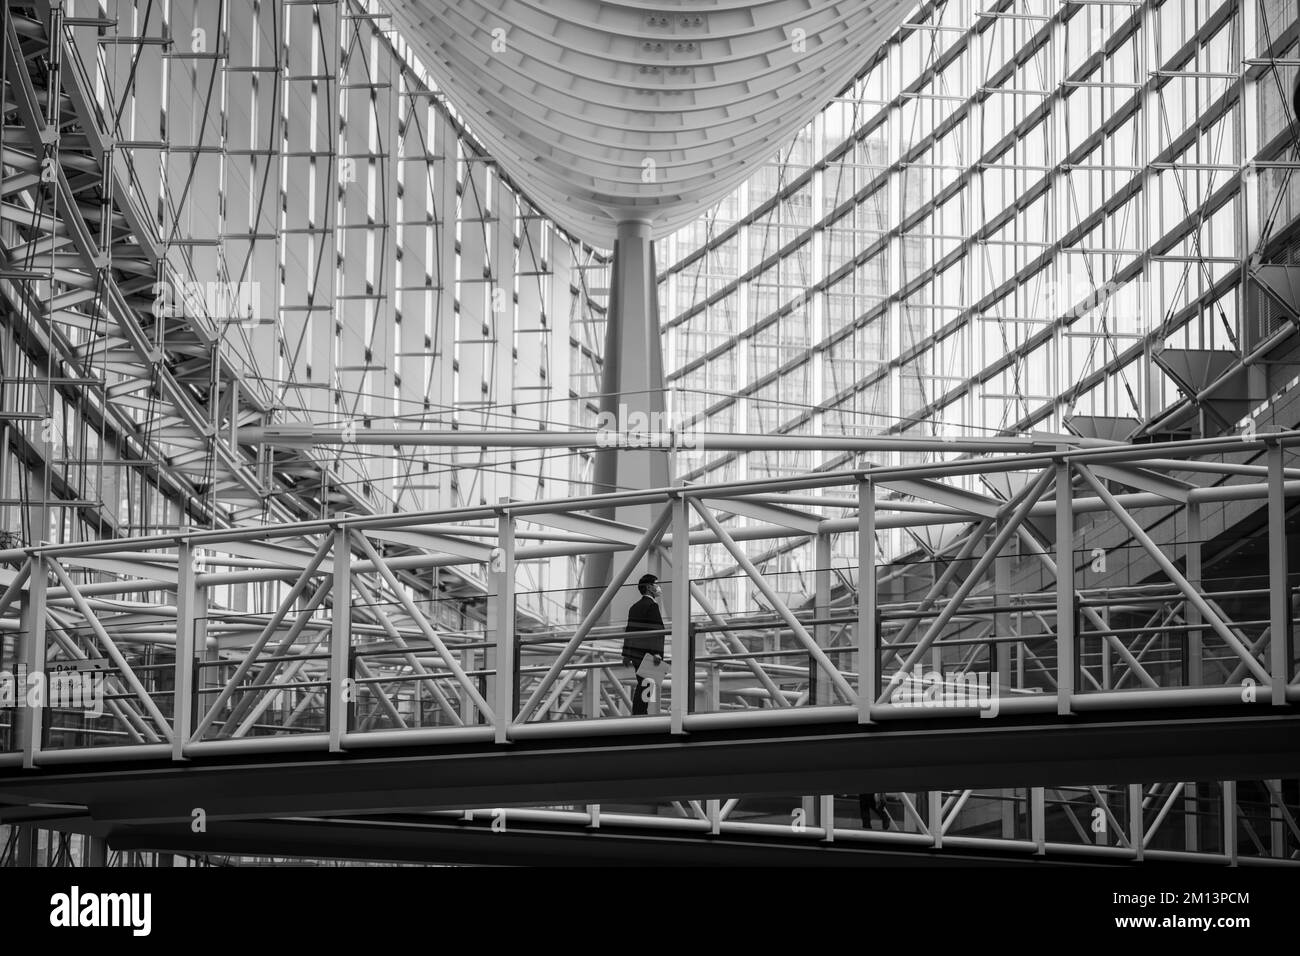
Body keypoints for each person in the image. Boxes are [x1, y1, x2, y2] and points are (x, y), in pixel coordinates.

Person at [622, 573, 664, 715]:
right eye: (656, 584)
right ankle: (640, 713)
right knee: (648, 683)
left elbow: (629, 630)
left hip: (636, 653)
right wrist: (657, 653)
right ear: (648, 587)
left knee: (643, 682)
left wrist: (626, 654)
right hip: (650, 653)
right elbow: (657, 631)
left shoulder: (634, 607)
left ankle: (639, 712)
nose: (658, 587)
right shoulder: (652, 606)